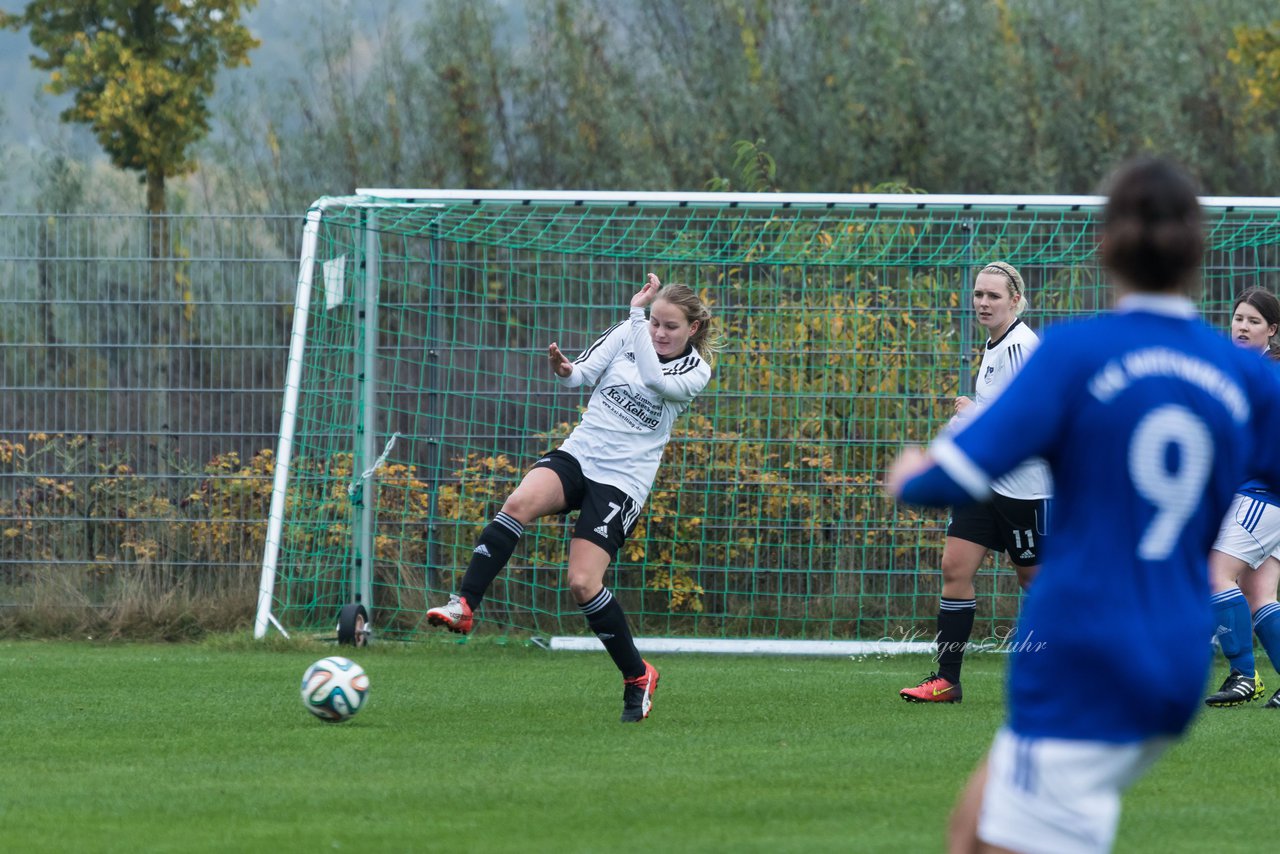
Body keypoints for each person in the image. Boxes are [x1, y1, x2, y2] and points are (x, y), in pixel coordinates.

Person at [887, 157, 1280, 853]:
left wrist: (914, 470)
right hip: (1175, 652)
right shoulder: (1245, 375)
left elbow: (942, 483)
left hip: (1084, 645)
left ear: (1103, 245)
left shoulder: (1076, 352)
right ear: (1197, 252)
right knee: (973, 828)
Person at [425, 272, 717, 723]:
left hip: (622, 482)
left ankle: (637, 676)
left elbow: (655, 381)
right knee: (517, 503)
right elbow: (581, 373)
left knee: (582, 583)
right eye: (656, 322)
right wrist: (566, 370)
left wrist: (637, 316)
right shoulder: (631, 328)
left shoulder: (695, 370)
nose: (660, 332)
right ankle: (464, 604)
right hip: (579, 454)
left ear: (692, 329)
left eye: (670, 326)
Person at [900, 262, 1051, 704]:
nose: (983, 302)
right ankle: (947, 679)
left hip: (1026, 489)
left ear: (1016, 301)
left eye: (994, 296)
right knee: (954, 568)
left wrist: (974, 414)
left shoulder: (1022, 345)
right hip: (985, 484)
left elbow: (1034, 417)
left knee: (1037, 584)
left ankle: (1062, 673)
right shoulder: (995, 345)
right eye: (979, 294)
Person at [1204, 286, 1280, 708]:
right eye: (1239, 318)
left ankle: (1243, 676)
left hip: (1264, 497)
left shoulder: (1268, 376)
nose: (1243, 327)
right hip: (1258, 496)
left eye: (1254, 321)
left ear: (1272, 330)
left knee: (1215, 573)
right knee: (1259, 595)